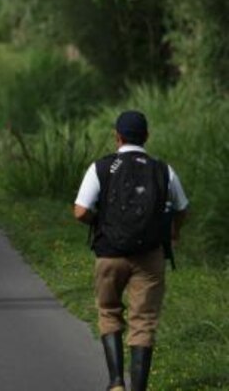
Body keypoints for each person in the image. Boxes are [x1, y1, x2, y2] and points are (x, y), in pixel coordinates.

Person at [73, 110, 188, 391]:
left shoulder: (101, 167)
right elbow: (182, 208)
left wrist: (101, 221)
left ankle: (115, 383)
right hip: (149, 256)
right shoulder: (163, 169)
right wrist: (174, 232)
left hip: (109, 254)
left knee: (109, 312)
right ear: (146, 137)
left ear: (117, 137)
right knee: (144, 321)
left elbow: (80, 211)